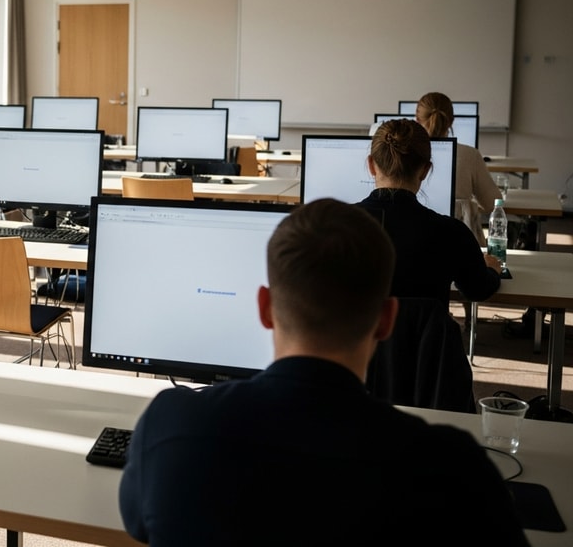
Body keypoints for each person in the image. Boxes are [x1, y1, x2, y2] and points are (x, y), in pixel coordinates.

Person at [118, 198, 527, 546]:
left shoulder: (169, 425)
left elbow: (138, 522)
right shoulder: (454, 470)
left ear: (264, 308)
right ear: (386, 320)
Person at [356, 118, 500, 305]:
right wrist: (491, 270)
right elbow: (478, 290)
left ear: (371, 165)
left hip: (353, 334)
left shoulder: (335, 226)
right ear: (425, 170)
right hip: (425, 334)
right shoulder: (452, 232)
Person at [415, 91, 502, 246]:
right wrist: (467, 204)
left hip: (416, 243)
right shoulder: (470, 155)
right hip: (462, 248)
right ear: (452, 121)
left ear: (416, 119)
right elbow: (492, 203)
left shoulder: (408, 154)